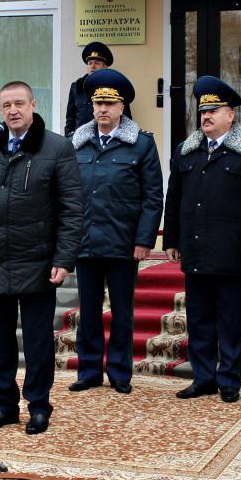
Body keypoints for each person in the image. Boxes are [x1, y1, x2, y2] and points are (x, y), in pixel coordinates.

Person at [0, 81, 83, 435]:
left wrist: (64, 258)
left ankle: (39, 405)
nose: (12, 111)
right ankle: (5, 405)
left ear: (33, 104)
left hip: (38, 262)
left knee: (37, 342)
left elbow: (72, 209)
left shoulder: (57, 147)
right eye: (5, 105)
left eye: (18, 103)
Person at [163, 76, 241, 403]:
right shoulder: (187, 151)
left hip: (230, 251)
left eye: (214, 110)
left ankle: (228, 380)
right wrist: (172, 238)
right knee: (198, 319)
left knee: (229, 320)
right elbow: (175, 197)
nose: (206, 117)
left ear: (231, 116)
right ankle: (203, 378)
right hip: (195, 248)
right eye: (203, 112)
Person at [69, 69, 162, 395]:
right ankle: (89, 370)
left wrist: (143, 240)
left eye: (109, 103)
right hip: (86, 241)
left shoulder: (141, 144)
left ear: (122, 107)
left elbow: (153, 196)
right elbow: (67, 195)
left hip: (124, 243)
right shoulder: (76, 144)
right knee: (89, 311)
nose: (102, 109)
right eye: (98, 103)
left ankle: (120, 372)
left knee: (123, 312)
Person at [65, 41, 131, 136]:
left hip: (109, 140)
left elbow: (126, 118)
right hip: (81, 141)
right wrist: (69, 139)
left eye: (97, 63)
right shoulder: (77, 87)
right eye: (90, 63)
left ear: (105, 66)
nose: (92, 66)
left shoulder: (116, 87)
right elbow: (70, 119)